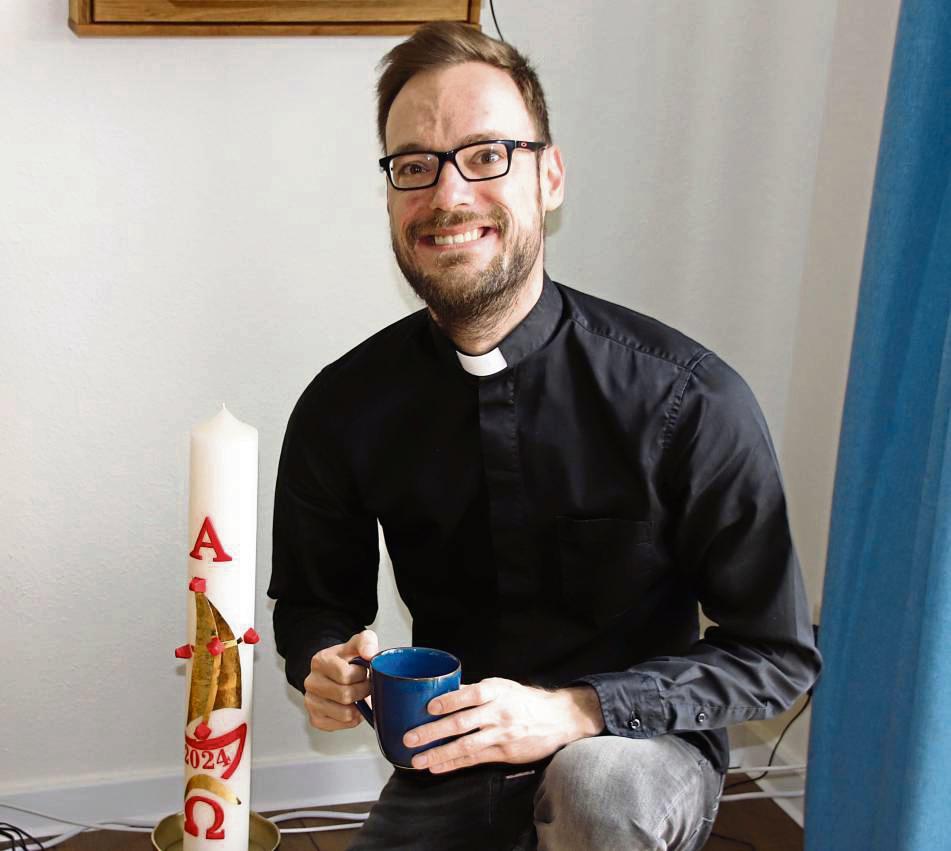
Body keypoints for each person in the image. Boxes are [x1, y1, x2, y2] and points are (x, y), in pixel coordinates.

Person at [268, 21, 821, 851]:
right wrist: (322, 664)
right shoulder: (342, 405)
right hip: (451, 751)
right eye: (415, 165)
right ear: (389, 194)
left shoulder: (690, 397)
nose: (448, 194)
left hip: (638, 748)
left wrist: (574, 711)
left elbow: (775, 654)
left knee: (592, 782)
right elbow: (314, 603)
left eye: (486, 154)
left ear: (548, 176)